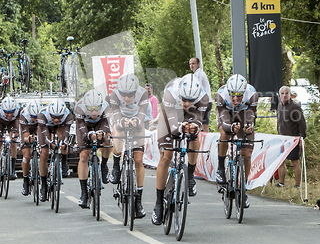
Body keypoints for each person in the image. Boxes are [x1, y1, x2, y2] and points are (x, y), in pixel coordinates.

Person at [151, 74, 209, 225]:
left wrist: (193, 127)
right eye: (184, 99)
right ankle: (158, 203)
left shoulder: (203, 97)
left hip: (190, 115)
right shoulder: (171, 93)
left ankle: (189, 175)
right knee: (166, 156)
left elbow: (197, 119)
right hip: (169, 116)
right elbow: (174, 128)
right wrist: (181, 128)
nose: (186, 103)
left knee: (194, 135)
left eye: (190, 100)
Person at [215, 74, 258, 208]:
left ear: (244, 92)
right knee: (224, 132)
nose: (235, 98)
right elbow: (224, 120)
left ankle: (243, 189)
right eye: (232, 94)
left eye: (239, 95)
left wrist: (248, 127)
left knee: (247, 154)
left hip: (244, 114)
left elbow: (250, 116)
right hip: (226, 114)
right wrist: (231, 127)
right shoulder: (221, 95)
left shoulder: (252, 95)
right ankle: (221, 168)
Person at [109, 74, 149, 218]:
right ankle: (115, 165)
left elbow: (143, 115)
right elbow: (115, 115)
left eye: (130, 95)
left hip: (137, 120)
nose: (126, 98)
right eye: (124, 95)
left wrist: (136, 122)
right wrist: (122, 123)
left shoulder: (143, 94)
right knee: (118, 131)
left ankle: (138, 199)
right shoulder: (114, 95)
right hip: (121, 119)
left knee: (138, 160)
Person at [75, 89, 112, 209]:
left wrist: (102, 132)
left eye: (97, 108)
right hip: (84, 125)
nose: (94, 112)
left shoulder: (106, 107)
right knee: (84, 155)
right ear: (86, 106)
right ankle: (84, 192)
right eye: (90, 109)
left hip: (100, 123)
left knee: (107, 140)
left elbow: (106, 124)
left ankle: (104, 165)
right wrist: (88, 136)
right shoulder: (79, 107)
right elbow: (81, 128)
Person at [37, 99, 73, 202]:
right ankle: (43, 185)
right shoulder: (42, 115)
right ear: (49, 113)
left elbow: (66, 133)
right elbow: (45, 135)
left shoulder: (68, 115)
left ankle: (64, 162)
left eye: (59, 117)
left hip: (61, 128)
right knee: (44, 153)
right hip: (46, 128)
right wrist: (50, 143)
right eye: (53, 117)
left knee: (63, 140)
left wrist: (63, 143)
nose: (56, 119)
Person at [276, 85, 307, 188]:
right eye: (282, 93)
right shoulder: (280, 105)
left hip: (294, 138)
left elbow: (302, 124)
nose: (284, 95)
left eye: (286, 93)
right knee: (281, 161)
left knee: (295, 162)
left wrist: (301, 138)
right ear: (279, 95)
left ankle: (297, 185)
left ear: (290, 95)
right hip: (282, 138)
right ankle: (281, 182)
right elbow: (279, 121)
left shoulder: (295, 107)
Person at [0, 96, 22, 181]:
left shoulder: (20, 110)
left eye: (12, 112)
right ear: (3, 109)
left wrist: (20, 137)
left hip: (13, 123)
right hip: (0, 122)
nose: (9, 115)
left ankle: (13, 169)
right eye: (7, 112)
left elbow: (23, 125)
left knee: (13, 141)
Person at [19, 100, 41, 196]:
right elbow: (25, 137)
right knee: (27, 156)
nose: (36, 119)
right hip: (27, 129)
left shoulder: (43, 114)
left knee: (43, 150)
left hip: (38, 128)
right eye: (34, 117)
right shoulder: (24, 115)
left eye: (37, 117)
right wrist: (28, 139)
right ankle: (25, 179)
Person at [189, 57, 212, 132]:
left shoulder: (198, 74)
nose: (191, 66)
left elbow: (196, 89)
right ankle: (206, 142)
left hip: (203, 102)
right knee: (205, 124)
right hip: (209, 101)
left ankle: (197, 141)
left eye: (193, 64)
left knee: (196, 123)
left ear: (198, 64)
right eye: (190, 64)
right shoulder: (200, 73)